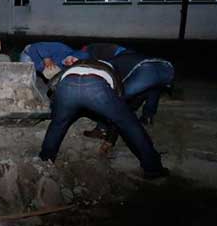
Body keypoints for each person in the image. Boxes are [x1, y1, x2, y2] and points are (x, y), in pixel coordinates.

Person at [38, 59, 169, 180]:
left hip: (67, 84)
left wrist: (57, 107)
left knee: (58, 125)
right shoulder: (113, 69)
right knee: (129, 124)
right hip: (95, 86)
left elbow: (53, 85)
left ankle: (44, 161)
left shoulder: (76, 64)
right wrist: (110, 140)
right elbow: (118, 108)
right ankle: (152, 167)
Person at [84, 43, 174, 126]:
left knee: (115, 100)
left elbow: (115, 84)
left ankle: (102, 129)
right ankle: (148, 116)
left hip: (145, 70)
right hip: (166, 68)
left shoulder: (112, 61)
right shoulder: (126, 55)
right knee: (154, 87)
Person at [19, 41, 88, 79]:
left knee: (32, 80)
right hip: (29, 54)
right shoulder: (62, 48)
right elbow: (40, 45)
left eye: (72, 64)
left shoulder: (65, 68)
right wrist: (46, 58)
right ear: (73, 54)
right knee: (26, 79)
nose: (69, 62)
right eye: (72, 59)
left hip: (38, 65)